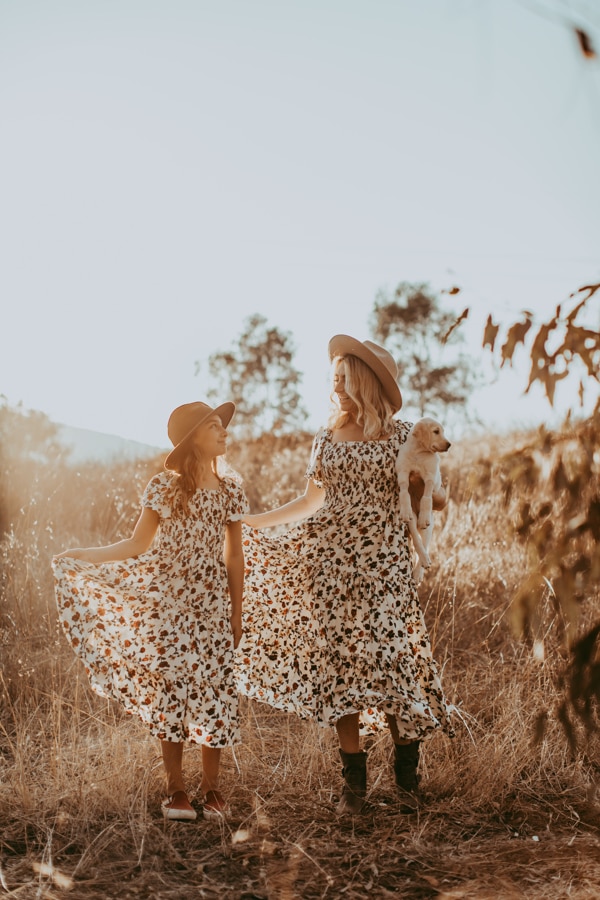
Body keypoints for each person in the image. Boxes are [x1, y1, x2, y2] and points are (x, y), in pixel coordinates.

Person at [236, 335, 454, 816]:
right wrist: (252, 523)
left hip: (384, 565)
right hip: (328, 565)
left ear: (364, 382)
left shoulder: (404, 435)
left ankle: (406, 780)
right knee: (341, 669)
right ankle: (354, 785)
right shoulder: (326, 436)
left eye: (343, 378)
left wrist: (423, 487)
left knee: (393, 663)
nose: (334, 386)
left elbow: (438, 498)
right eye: (332, 378)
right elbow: (311, 501)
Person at [53, 401, 248, 822]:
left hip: (212, 603)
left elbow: (235, 556)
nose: (223, 431)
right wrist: (88, 555)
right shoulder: (163, 486)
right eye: (213, 426)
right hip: (168, 602)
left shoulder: (232, 489)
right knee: (171, 689)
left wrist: (236, 611)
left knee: (214, 688)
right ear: (192, 437)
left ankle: (212, 791)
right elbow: (136, 545)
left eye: (222, 426)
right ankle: (176, 790)